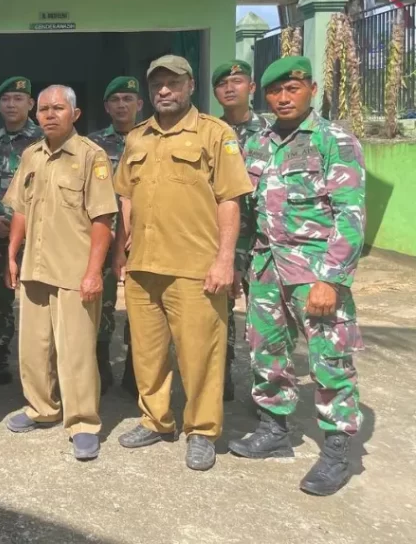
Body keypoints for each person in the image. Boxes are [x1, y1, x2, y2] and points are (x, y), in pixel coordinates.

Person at [229, 56, 366, 497]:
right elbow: (247, 212)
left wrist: (332, 278)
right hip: (266, 266)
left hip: (315, 271)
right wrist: (238, 263)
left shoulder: (333, 139)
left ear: (312, 90)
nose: (283, 98)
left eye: (293, 89)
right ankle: (274, 429)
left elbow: (351, 214)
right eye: (275, 91)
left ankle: (337, 450)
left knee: (329, 358)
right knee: (265, 349)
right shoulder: (258, 142)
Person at [113, 55, 252, 472]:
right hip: (143, 266)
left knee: (200, 356)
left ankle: (202, 431)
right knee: (147, 354)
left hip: (195, 268)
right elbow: (125, 196)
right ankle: (156, 420)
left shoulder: (215, 133)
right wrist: (121, 252)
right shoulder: (137, 137)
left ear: (190, 85)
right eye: (157, 84)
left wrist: (225, 260)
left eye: (173, 83)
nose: (164, 91)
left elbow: (230, 199)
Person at [2, 85, 116, 460]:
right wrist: (12, 254)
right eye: (44, 109)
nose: (50, 115)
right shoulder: (31, 155)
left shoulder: (91, 156)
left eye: (59, 108)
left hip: (73, 270)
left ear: (75, 114)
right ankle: (41, 408)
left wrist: (94, 272)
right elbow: (20, 209)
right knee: (33, 347)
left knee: (76, 352)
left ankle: (83, 423)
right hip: (35, 267)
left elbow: (102, 219)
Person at [0, 76, 42, 391]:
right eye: (6, 99)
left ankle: (40, 370)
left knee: (39, 304)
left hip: (38, 237)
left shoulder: (45, 140)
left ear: (31, 104)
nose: (12, 104)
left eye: (18, 98)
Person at [212, 59, 270, 402]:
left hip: (264, 243)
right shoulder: (209, 133)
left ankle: (267, 392)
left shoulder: (273, 132)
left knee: (265, 321)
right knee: (218, 314)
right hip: (221, 240)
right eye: (223, 84)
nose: (230, 88)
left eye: (237, 81)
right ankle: (221, 380)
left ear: (252, 87)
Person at [87, 75, 142, 395]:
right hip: (104, 236)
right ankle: (101, 364)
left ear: (139, 104)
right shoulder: (93, 145)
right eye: (115, 100)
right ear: (107, 107)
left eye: (128, 99)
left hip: (146, 236)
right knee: (102, 301)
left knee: (142, 303)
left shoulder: (152, 139)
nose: (122, 105)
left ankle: (136, 368)